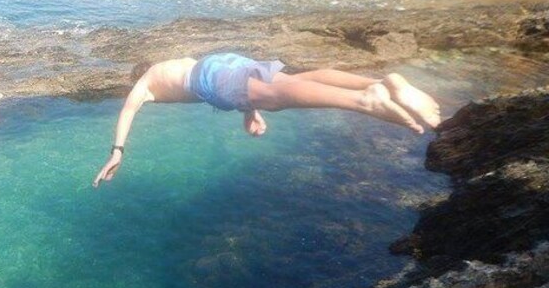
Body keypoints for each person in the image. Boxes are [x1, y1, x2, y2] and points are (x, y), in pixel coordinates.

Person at [93, 53, 441, 187]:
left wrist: (117, 151)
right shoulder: (173, 62)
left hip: (212, 80)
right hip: (223, 61)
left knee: (278, 99)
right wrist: (250, 111)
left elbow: (127, 111)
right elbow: (230, 79)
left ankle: (362, 100)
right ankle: (377, 83)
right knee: (297, 80)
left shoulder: (144, 84)